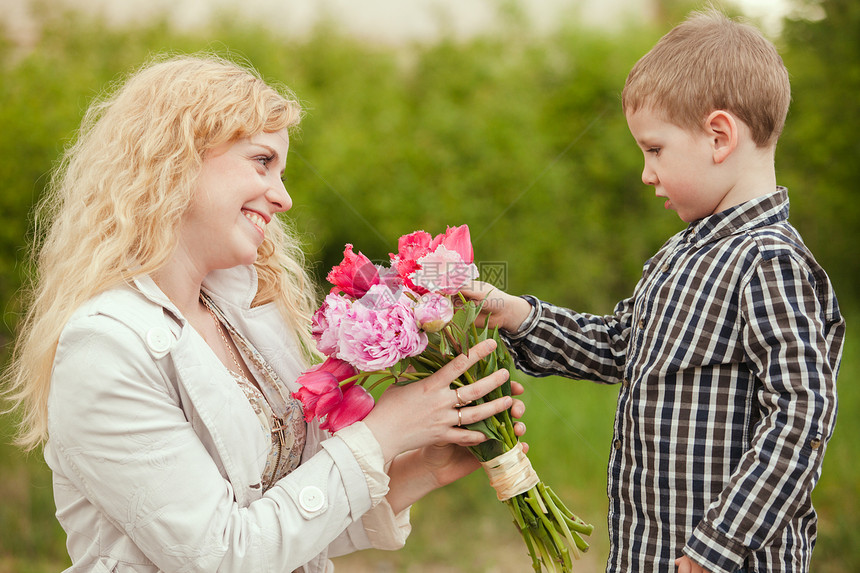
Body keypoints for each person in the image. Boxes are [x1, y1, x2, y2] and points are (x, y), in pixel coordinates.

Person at [2, 54, 525, 572]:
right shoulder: (107, 346)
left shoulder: (245, 316)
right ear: (175, 159)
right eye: (262, 161)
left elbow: (285, 524)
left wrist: (420, 467)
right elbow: (222, 554)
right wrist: (382, 433)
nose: (284, 198)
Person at [465, 9, 844, 573]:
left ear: (719, 136)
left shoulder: (769, 261)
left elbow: (801, 416)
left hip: (722, 560)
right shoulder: (677, 256)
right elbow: (621, 346)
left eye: (655, 149)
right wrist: (517, 315)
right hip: (649, 553)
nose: (646, 173)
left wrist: (712, 550)